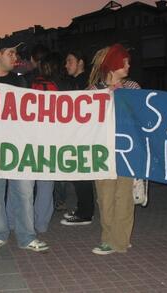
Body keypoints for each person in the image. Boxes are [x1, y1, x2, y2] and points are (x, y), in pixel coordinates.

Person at [0, 39, 48, 252]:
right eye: (11, 53)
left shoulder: (21, 82)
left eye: (16, 54)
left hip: (19, 147)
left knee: (25, 192)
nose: (15, 58)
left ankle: (27, 237)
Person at [88, 44, 140, 255]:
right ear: (113, 64)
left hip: (127, 152)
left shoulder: (133, 87)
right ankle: (108, 237)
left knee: (124, 197)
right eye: (124, 61)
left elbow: (141, 115)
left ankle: (119, 240)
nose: (128, 64)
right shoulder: (92, 92)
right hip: (102, 153)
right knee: (105, 198)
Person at [30, 52, 71, 232]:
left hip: (32, 139)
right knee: (46, 184)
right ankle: (41, 224)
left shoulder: (29, 83)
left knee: (27, 185)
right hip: (53, 140)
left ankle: (20, 221)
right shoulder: (64, 85)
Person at [60, 50, 95, 226]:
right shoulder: (74, 82)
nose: (66, 65)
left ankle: (85, 214)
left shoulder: (87, 84)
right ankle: (84, 209)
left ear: (80, 62)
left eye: (69, 61)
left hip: (83, 136)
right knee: (78, 174)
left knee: (81, 175)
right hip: (76, 135)